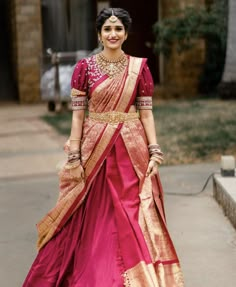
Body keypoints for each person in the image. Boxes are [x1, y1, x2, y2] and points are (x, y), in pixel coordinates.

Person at [23, 7, 184, 287]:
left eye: (118, 28)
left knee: (132, 210)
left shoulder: (139, 68)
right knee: (90, 213)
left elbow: (146, 113)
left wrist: (154, 149)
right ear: (99, 33)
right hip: (95, 147)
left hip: (131, 149)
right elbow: (78, 116)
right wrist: (74, 154)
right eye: (107, 29)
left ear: (125, 33)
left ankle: (137, 275)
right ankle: (95, 270)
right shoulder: (84, 68)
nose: (113, 34)